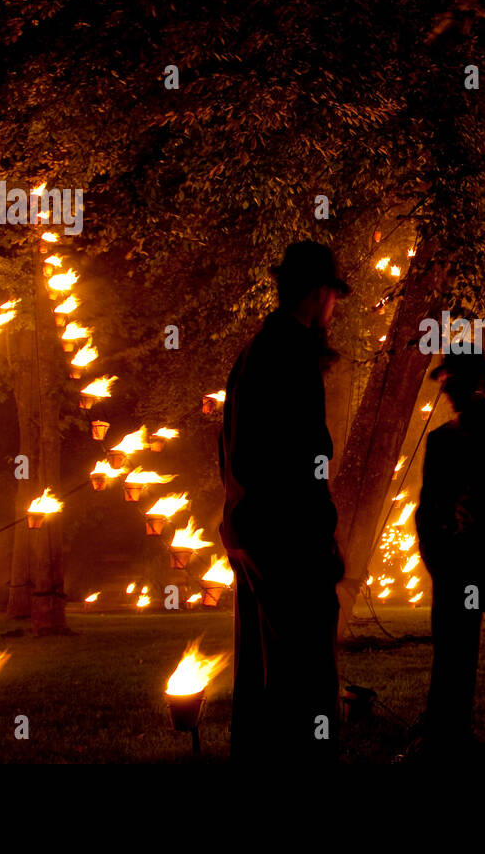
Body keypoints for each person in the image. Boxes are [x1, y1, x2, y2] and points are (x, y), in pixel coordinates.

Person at [218, 240, 350, 763]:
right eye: (334, 297)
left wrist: (237, 524)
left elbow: (231, 449)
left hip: (254, 531)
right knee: (305, 668)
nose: (333, 310)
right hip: (289, 537)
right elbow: (304, 458)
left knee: (264, 666)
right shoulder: (291, 353)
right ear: (320, 294)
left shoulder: (255, 351)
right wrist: (324, 533)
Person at [413, 353, 485, 758]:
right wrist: (437, 556)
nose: (446, 391)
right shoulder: (442, 440)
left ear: (476, 383)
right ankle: (447, 736)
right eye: (445, 382)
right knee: (452, 655)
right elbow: (429, 508)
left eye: (452, 382)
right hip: (457, 564)